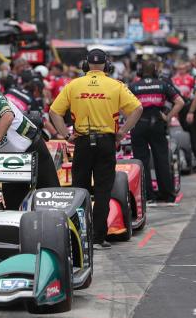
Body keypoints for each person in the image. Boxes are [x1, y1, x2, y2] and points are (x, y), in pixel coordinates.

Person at [48, 49, 143, 243]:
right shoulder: (116, 85)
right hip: (106, 142)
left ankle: (79, 236)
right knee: (103, 191)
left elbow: (54, 112)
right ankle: (99, 237)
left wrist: (66, 135)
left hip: (82, 141)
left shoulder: (73, 85)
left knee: (79, 190)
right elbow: (138, 108)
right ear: (107, 66)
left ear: (86, 65)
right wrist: (122, 132)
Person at [128, 60, 185, 201]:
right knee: (162, 160)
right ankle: (167, 194)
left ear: (140, 72)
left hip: (139, 125)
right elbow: (180, 102)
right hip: (157, 124)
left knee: (141, 161)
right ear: (155, 72)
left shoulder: (133, 86)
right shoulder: (162, 85)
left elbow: (121, 106)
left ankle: (147, 195)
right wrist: (168, 117)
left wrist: (131, 119)